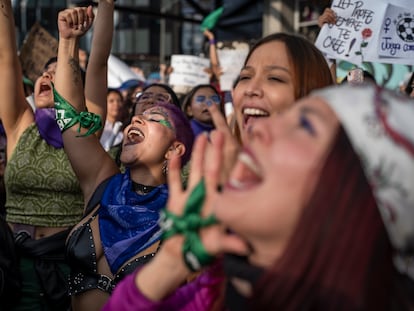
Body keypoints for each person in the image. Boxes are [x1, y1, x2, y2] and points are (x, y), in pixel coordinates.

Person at [103, 82, 414, 310]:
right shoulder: (217, 290)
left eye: (305, 126)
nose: (262, 131)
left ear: (355, 202)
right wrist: (171, 260)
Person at [52, 7, 194, 311]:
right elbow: (67, 116)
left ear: (175, 150)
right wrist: (66, 41)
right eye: (136, 118)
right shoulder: (103, 181)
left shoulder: (184, 212)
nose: (136, 122)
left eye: (154, 118)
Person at [0, 1, 114, 309]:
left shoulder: (86, 129)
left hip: (66, 265)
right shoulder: (19, 124)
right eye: (43, 74)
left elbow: (100, 62)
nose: (48, 78)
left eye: (57, 73)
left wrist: (106, 6)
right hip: (12, 266)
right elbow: (6, 59)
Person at [209, 32, 334, 182]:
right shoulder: (208, 181)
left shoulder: (336, 192)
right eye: (245, 77)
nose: (251, 89)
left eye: (275, 78)